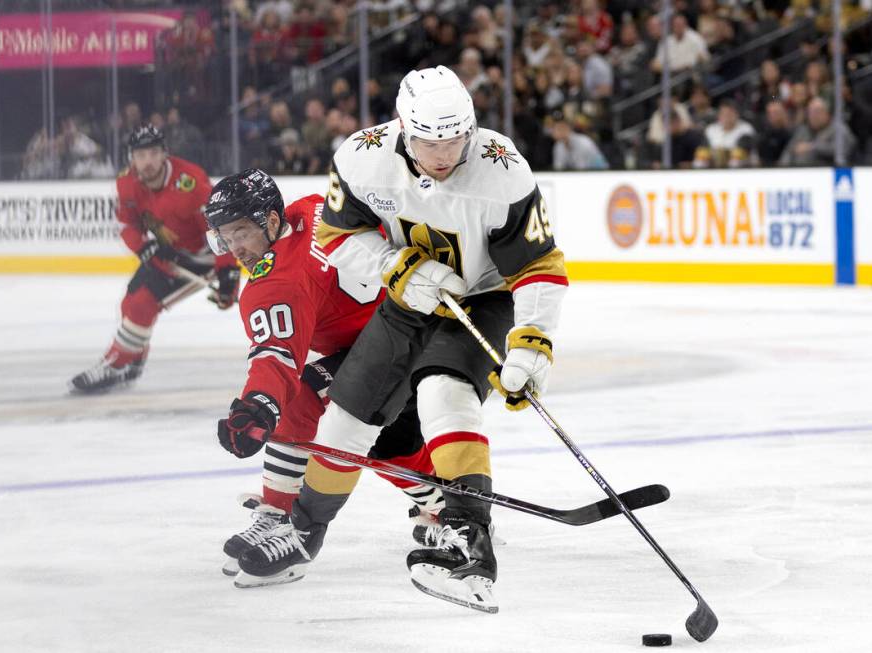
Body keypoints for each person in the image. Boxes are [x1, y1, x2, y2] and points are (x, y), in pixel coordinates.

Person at [234, 66, 568, 613]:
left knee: (442, 391)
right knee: (346, 412)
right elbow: (337, 236)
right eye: (429, 141)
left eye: (456, 139)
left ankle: (468, 540)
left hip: (483, 296)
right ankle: (303, 532)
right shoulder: (362, 159)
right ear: (402, 129)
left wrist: (531, 345)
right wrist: (397, 267)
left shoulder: (503, 170)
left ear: (472, 128)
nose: (443, 153)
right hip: (406, 297)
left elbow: (540, 264)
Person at [203, 169, 445, 579]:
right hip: (398, 325)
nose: (235, 248)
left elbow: (275, 356)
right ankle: (279, 511)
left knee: (378, 434)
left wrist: (257, 405)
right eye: (226, 236)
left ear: (271, 222)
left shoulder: (278, 282)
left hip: (404, 338)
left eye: (241, 232)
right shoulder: (309, 208)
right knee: (310, 397)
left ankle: (444, 505)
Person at [69, 125, 240, 393]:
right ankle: (132, 363)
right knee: (130, 304)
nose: (146, 161)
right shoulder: (127, 183)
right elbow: (127, 225)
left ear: (164, 155)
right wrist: (142, 246)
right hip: (164, 253)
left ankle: (115, 364)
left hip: (201, 259)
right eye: (140, 155)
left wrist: (228, 272)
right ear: (131, 158)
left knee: (142, 305)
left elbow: (219, 227)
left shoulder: (191, 182)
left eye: (152, 153)